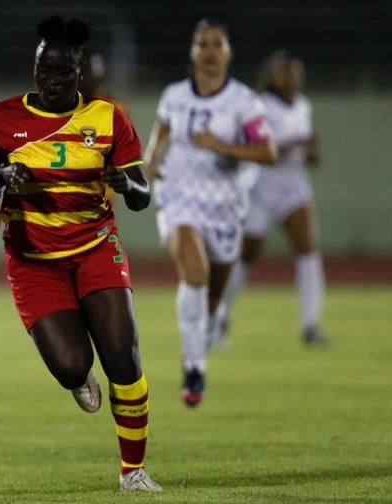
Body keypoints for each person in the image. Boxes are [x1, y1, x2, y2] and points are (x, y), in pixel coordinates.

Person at [0, 16, 161, 492]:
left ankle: (133, 472)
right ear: (35, 68)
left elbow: (142, 194)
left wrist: (129, 184)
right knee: (70, 366)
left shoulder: (108, 117)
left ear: (80, 73)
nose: (53, 80)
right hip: (33, 260)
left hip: (95, 247)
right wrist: (1, 178)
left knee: (123, 357)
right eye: (45, 69)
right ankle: (78, 378)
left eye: (63, 71)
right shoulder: (0, 119)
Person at [142, 20, 277, 407]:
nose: (210, 51)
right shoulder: (174, 96)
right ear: (193, 51)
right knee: (194, 273)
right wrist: (149, 167)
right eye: (203, 43)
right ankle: (195, 366)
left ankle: (202, 337)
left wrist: (222, 146)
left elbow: (267, 152)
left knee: (213, 297)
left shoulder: (244, 102)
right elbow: (160, 139)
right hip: (179, 196)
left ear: (228, 53)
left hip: (226, 205)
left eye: (217, 44)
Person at [215, 51, 327, 346]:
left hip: (293, 187)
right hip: (261, 188)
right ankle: (220, 316)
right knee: (246, 254)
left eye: (295, 72)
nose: (290, 78)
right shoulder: (261, 106)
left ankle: (311, 325)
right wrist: (299, 143)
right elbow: (264, 151)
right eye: (284, 72)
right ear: (272, 77)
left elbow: (309, 154)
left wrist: (312, 152)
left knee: (307, 249)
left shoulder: (304, 105)